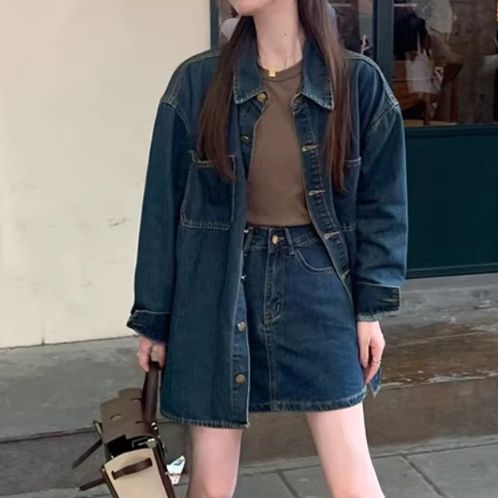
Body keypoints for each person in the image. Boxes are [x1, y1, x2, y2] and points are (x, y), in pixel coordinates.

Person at [126, 1, 408, 497]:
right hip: (216, 288)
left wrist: (371, 309)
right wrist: (154, 318)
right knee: (210, 486)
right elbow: (162, 207)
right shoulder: (198, 82)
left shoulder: (357, 83)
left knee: (353, 481)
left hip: (318, 283)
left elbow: (382, 206)